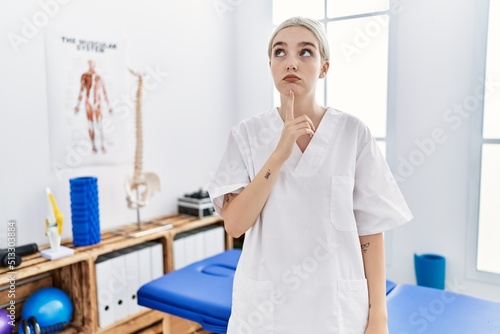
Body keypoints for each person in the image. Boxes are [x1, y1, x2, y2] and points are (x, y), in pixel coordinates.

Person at [208, 16, 413, 334]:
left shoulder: (352, 134)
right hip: (266, 311)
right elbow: (235, 225)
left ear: (324, 67)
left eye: (305, 52)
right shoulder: (246, 135)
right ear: (270, 65)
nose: (291, 62)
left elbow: (370, 232)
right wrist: (278, 155)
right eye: (280, 52)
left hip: (335, 310)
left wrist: (378, 317)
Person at [74, 59, 112, 153]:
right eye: (90, 63)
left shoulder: (99, 77)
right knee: (91, 125)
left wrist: (109, 106)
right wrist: (78, 105)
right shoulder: (85, 76)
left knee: (99, 125)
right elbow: (82, 90)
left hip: (97, 102)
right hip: (88, 102)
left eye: (92, 63)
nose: (91, 64)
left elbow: (104, 91)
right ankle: (93, 146)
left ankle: (102, 145)